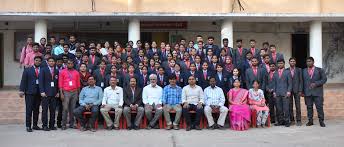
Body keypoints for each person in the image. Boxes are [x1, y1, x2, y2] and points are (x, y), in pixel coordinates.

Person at [19, 56, 43, 132]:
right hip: (29, 93)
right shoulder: (27, 70)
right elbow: (23, 81)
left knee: (36, 110)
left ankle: (35, 125)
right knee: (29, 110)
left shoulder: (42, 70)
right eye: (36, 60)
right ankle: (28, 126)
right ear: (34, 61)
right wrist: (21, 90)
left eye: (39, 61)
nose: (38, 62)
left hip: (39, 93)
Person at [302, 57, 327, 127]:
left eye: (310, 61)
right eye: (307, 62)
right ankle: (310, 121)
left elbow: (324, 79)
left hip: (318, 93)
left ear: (313, 62)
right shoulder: (303, 71)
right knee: (309, 107)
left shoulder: (320, 70)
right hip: (307, 93)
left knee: (319, 107)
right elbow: (302, 82)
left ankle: (321, 121)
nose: (308, 63)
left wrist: (316, 83)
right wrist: (302, 91)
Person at [58, 59, 81, 130]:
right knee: (65, 109)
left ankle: (71, 124)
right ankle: (63, 124)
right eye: (68, 63)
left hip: (74, 92)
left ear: (73, 64)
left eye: (71, 63)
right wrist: (61, 93)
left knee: (72, 109)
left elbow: (78, 85)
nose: (70, 65)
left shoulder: (76, 72)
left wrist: (78, 94)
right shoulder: (62, 72)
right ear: (66, 64)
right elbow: (60, 83)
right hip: (66, 92)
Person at [38, 57, 59, 131]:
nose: (51, 62)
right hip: (45, 93)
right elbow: (40, 81)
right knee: (45, 110)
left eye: (53, 61)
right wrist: (42, 91)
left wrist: (58, 92)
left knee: (53, 110)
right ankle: (44, 125)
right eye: (50, 61)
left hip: (54, 94)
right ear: (47, 62)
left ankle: (52, 125)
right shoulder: (43, 70)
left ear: (55, 62)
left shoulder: (56, 70)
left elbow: (57, 83)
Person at [273, 59, 292, 127]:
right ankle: (280, 121)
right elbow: (274, 84)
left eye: (281, 63)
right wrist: (274, 92)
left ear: (284, 64)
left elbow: (290, 83)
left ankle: (287, 121)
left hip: (285, 93)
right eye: (279, 63)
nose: (280, 64)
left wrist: (289, 91)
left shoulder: (287, 72)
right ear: (277, 64)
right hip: (277, 93)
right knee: (279, 108)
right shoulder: (275, 73)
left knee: (286, 108)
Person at [287, 57, 303, 126]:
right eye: (291, 61)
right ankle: (292, 120)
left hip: (297, 90)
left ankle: (299, 120)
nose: (292, 62)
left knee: (298, 106)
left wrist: (300, 90)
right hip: (289, 91)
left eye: (293, 61)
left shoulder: (299, 70)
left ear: (295, 62)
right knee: (290, 106)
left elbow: (301, 81)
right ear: (289, 62)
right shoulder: (286, 70)